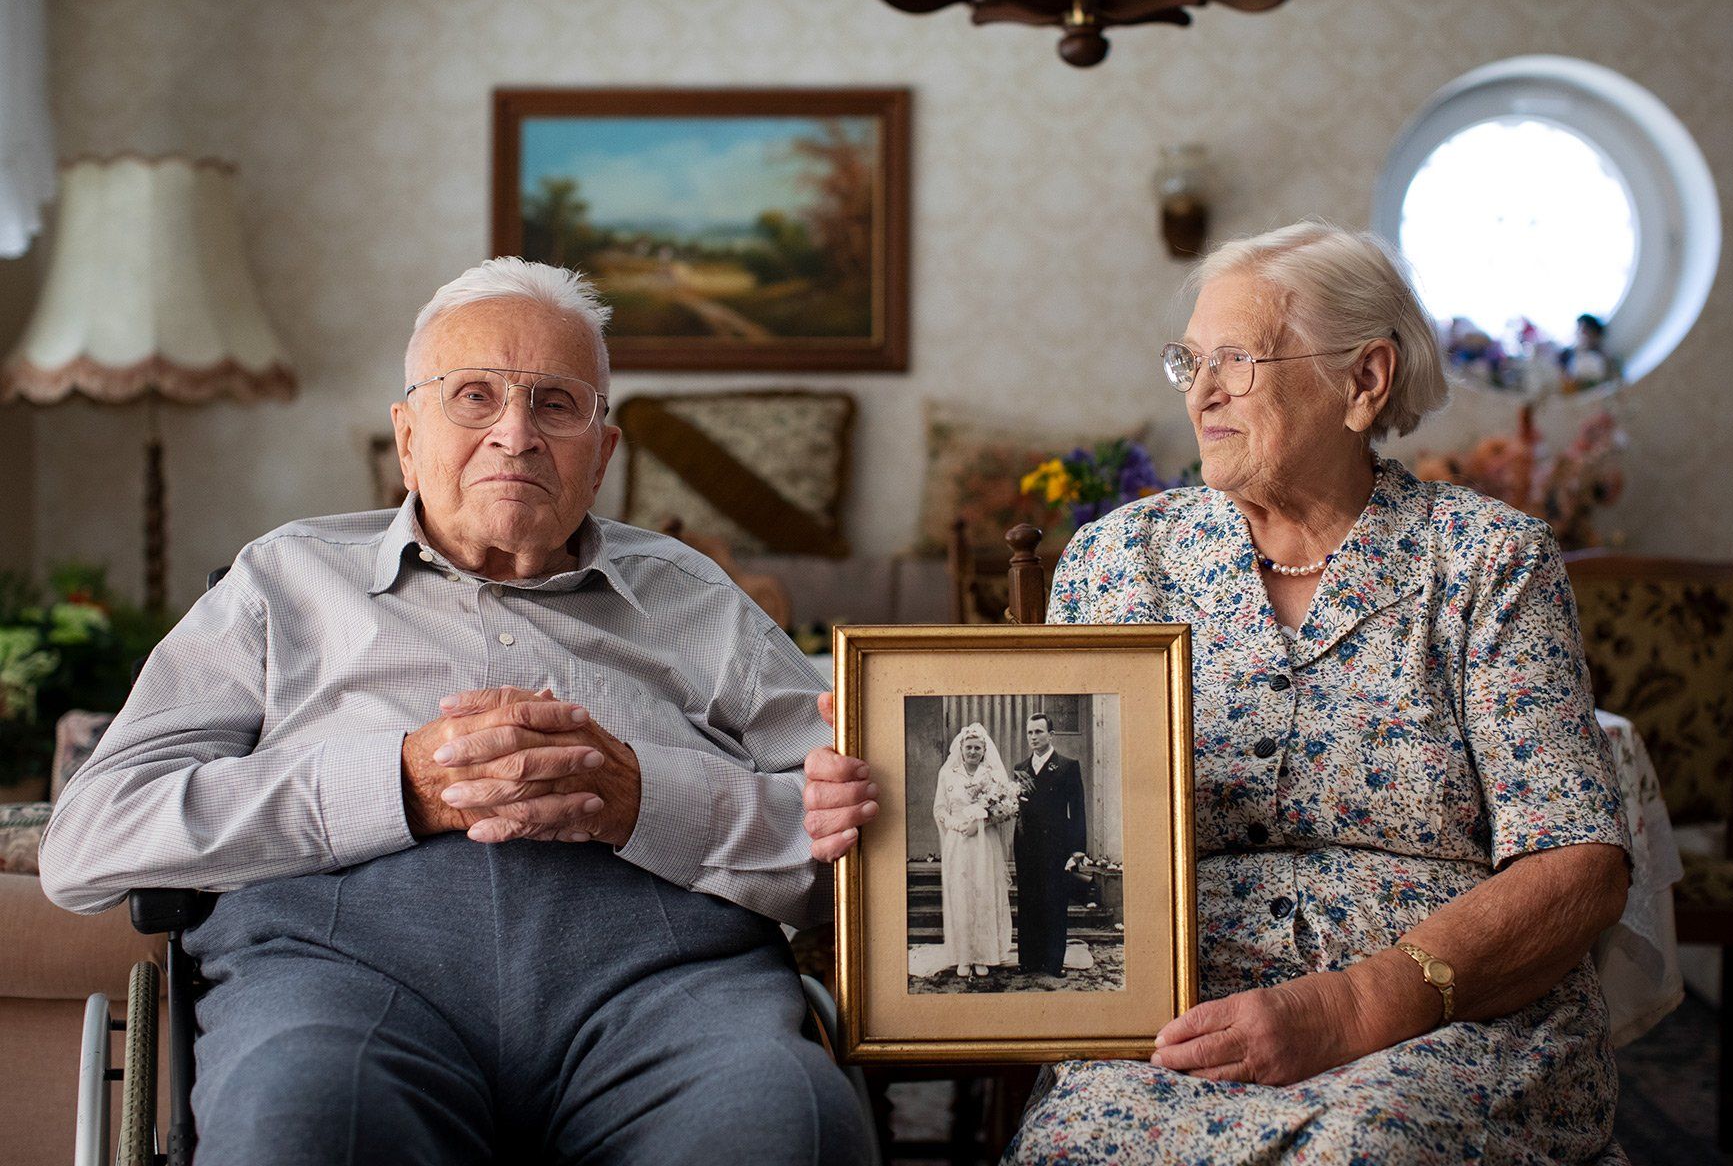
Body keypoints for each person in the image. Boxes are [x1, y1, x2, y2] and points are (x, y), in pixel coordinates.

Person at [803, 222, 1633, 1163]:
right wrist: (877, 802)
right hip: (1170, 1021)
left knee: (1367, 1149)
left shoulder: (1489, 562)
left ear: (1364, 382)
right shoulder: (1120, 559)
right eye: (1189, 361)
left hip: (1440, 1023)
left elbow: (1578, 862)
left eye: (1236, 360)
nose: (1200, 393)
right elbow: (1055, 811)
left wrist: (1356, 1004)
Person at [39, 258, 869, 1166]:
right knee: (302, 1123)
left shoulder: (699, 602)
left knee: (788, 1124)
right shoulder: (284, 582)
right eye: (474, 396)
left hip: (666, 990)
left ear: (605, 452)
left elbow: (867, 855)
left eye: (556, 404)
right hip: (338, 982)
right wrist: (396, 784)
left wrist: (641, 799)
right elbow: (89, 839)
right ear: (406, 434)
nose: (515, 435)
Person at [930, 722, 1017, 978]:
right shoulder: (948, 774)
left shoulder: (992, 775)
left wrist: (983, 822)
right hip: (958, 841)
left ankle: (984, 955)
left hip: (984, 842)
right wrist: (957, 825)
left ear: (984, 750)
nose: (972, 752)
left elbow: (1004, 810)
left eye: (977, 748)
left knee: (984, 893)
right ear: (961, 748)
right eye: (968, 747)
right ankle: (963, 956)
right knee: (961, 895)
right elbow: (939, 808)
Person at [1012, 712, 1085, 978]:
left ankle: (1054, 962)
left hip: (1056, 845)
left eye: (1039, 732)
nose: (1033, 737)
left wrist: (1077, 850)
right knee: (1028, 901)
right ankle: (1028, 960)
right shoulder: (1021, 768)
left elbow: (1077, 810)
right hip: (1027, 844)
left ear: (1051, 735)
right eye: (1030, 732)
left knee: (1055, 902)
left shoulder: (1067, 766)